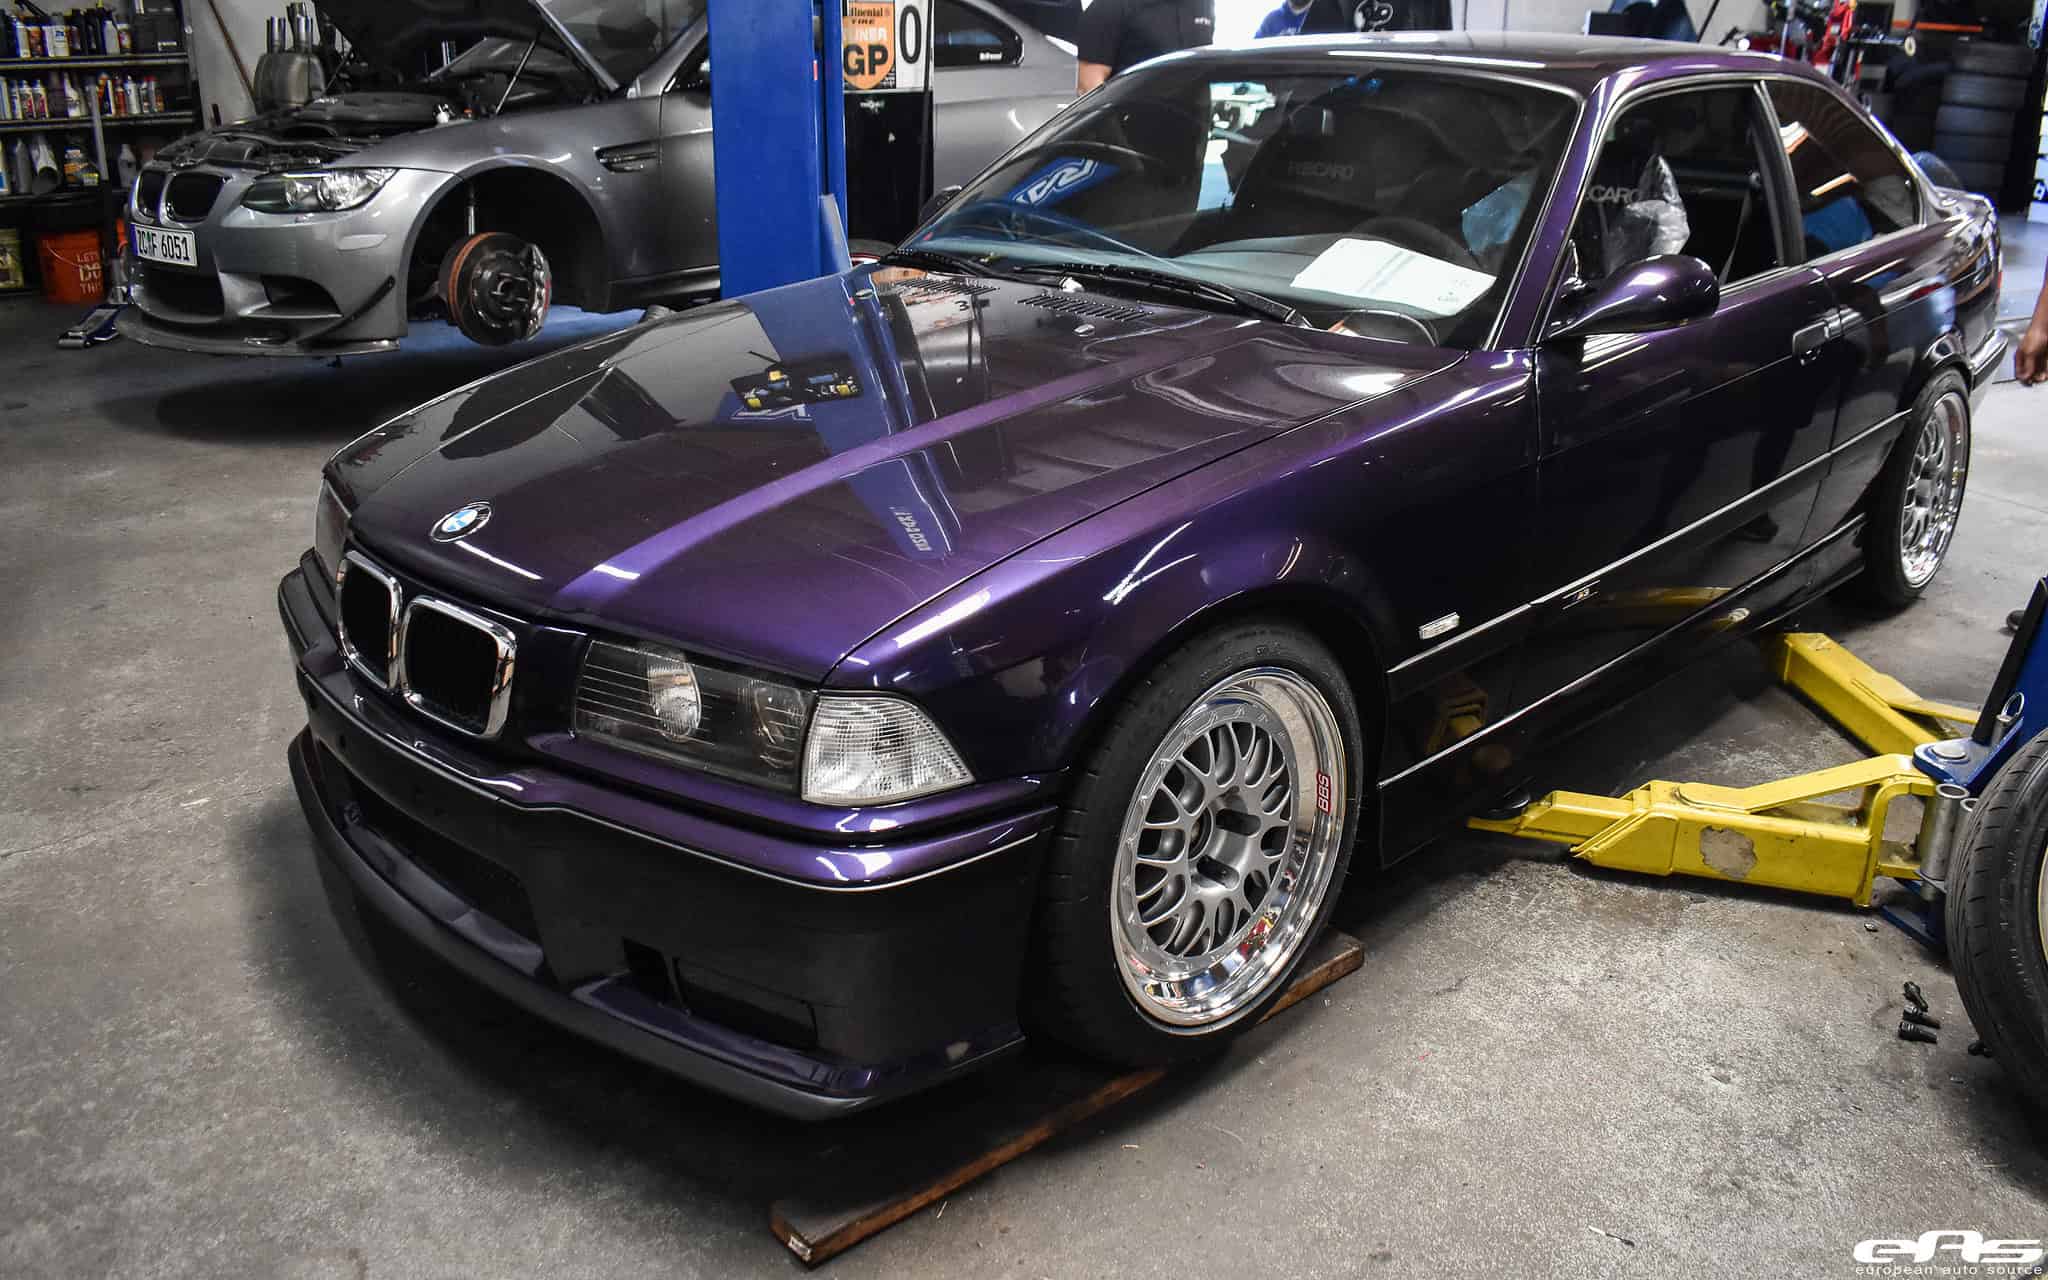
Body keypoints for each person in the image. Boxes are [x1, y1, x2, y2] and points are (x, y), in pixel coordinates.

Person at [1075, 0, 1214, 94]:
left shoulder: (1203, 3)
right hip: (1132, 123)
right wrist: (1112, 130)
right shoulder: (1110, 5)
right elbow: (1088, 86)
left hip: (1194, 122)